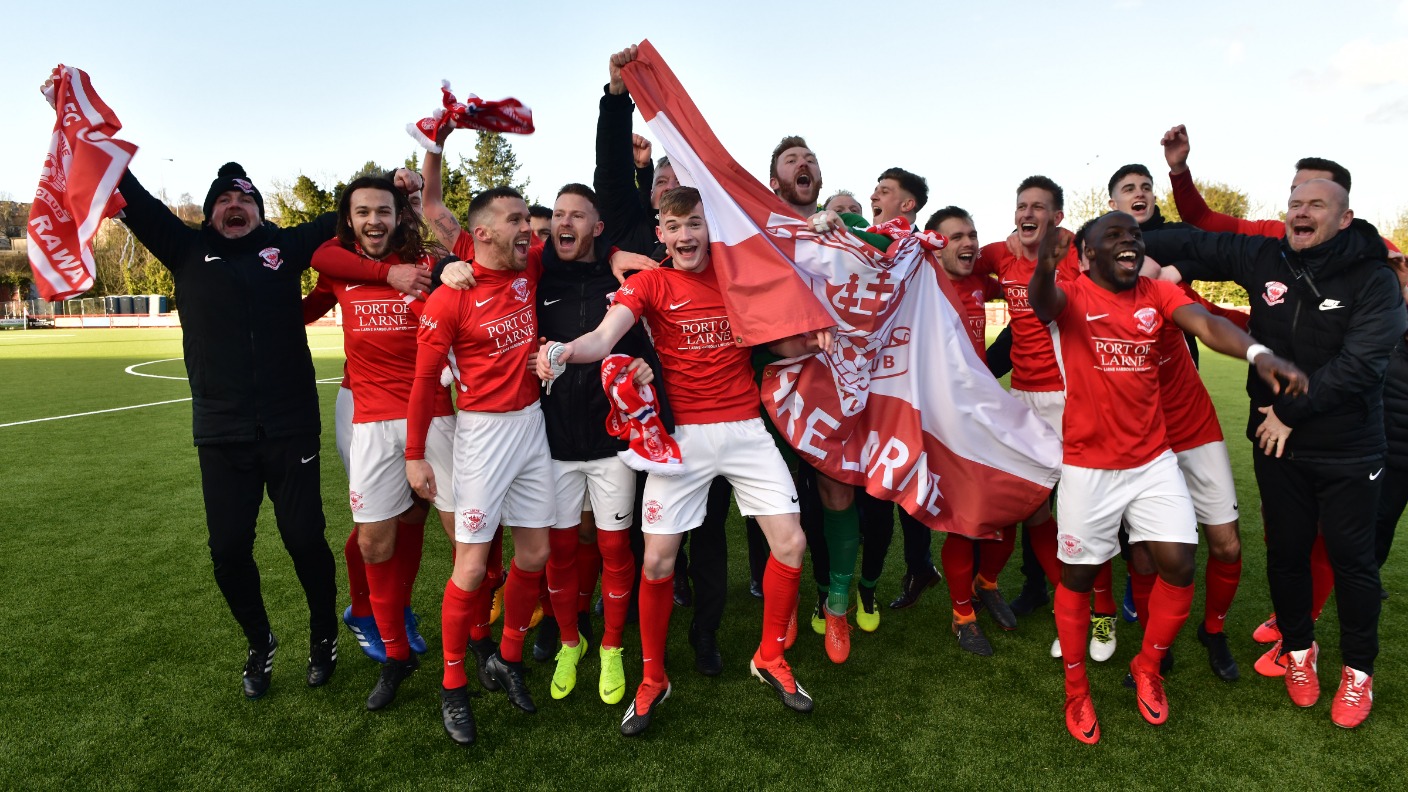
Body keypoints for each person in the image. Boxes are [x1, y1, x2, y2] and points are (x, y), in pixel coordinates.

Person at [114, 156, 426, 700]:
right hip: (221, 430)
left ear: (259, 211)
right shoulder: (184, 247)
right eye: (223, 202)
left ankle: (324, 634)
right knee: (228, 549)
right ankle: (259, 642)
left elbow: (353, 213)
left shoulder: (287, 246)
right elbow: (134, 199)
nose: (234, 208)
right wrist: (85, 133)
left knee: (305, 539)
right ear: (211, 213)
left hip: (289, 424)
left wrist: (396, 187)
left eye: (245, 201)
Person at [539, 186, 824, 736]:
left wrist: (819, 341)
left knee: (791, 543)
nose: (686, 236)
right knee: (657, 563)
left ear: (707, 225)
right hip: (684, 438)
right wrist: (563, 351)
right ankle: (653, 678)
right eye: (674, 226)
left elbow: (781, 344)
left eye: (694, 223)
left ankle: (769, 656)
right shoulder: (649, 281)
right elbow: (602, 337)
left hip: (745, 429)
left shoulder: (738, 274)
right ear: (661, 232)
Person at [1029, 211, 1306, 744]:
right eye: (1113, 237)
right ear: (1086, 255)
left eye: (1133, 235)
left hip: (1154, 461)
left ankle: (1148, 669)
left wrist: (1257, 351)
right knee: (1079, 580)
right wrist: (1044, 266)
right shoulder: (1074, 293)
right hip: (1089, 467)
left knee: (1180, 564)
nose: (1129, 241)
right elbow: (1045, 303)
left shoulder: (1156, 293)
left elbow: (1206, 323)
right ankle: (1077, 690)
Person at [1146, 178, 1405, 730]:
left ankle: (1359, 671)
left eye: (1315, 204)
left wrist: (1290, 412)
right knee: (1286, 553)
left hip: (1347, 447)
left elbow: (1360, 367)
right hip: (1274, 440)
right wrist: (1116, 246)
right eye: (1293, 202)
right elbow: (1192, 242)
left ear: (1344, 216)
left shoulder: (1374, 277)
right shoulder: (1265, 255)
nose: (1300, 212)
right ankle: (1299, 651)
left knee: (1352, 562)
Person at [308, 176, 455, 710]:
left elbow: (452, 250)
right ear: (348, 219)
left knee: (464, 532)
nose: (374, 220)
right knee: (374, 540)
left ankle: (478, 646)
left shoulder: (425, 264)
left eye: (384, 211)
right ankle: (396, 653)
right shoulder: (338, 265)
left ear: (399, 216)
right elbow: (322, 260)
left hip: (433, 413)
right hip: (369, 419)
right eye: (362, 211)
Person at [1107, 164, 1248, 681]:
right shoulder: (1089, 286)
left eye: (1147, 189)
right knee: (1145, 556)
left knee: (1226, 543)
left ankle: (1213, 628)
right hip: (1142, 440)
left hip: (1193, 427)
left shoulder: (1166, 276)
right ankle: (1154, 649)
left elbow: (1208, 323)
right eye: (1129, 190)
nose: (1140, 196)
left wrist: (1258, 344)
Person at [535, 182, 660, 704]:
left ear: (597, 227)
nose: (565, 223)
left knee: (613, 546)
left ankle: (611, 645)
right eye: (559, 214)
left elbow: (651, 342)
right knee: (560, 549)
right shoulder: (535, 278)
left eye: (578, 216)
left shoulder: (626, 277)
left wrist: (643, 365)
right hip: (554, 443)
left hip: (612, 444)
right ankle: (570, 641)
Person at [973, 176, 1076, 632]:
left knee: (1077, 505)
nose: (1027, 214)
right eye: (1021, 206)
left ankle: (1089, 599)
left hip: (1071, 398)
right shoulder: (1001, 254)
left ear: (1057, 217)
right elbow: (962, 263)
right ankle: (1041, 589)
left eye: (1038, 207)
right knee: (1030, 503)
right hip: (1022, 399)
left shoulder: (1074, 254)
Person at [847, 167, 946, 626]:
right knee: (885, 486)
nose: (874, 195)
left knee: (898, 482)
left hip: (901, 385)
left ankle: (902, 573)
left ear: (907, 204)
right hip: (874, 385)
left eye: (884, 191)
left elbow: (881, 241)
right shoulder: (901, 242)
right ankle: (908, 570)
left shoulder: (904, 239)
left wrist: (835, 224)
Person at [923, 206, 1015, 655]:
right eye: (956, 236)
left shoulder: (981, 283)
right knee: (964, 522)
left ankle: (987, 582)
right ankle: (963, 615)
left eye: (972, 234)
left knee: (1011, 507)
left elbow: (1021, 291)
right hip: (946, 419)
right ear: (935, 243)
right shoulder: (920, 285)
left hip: (988, 412)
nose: (968, 243)